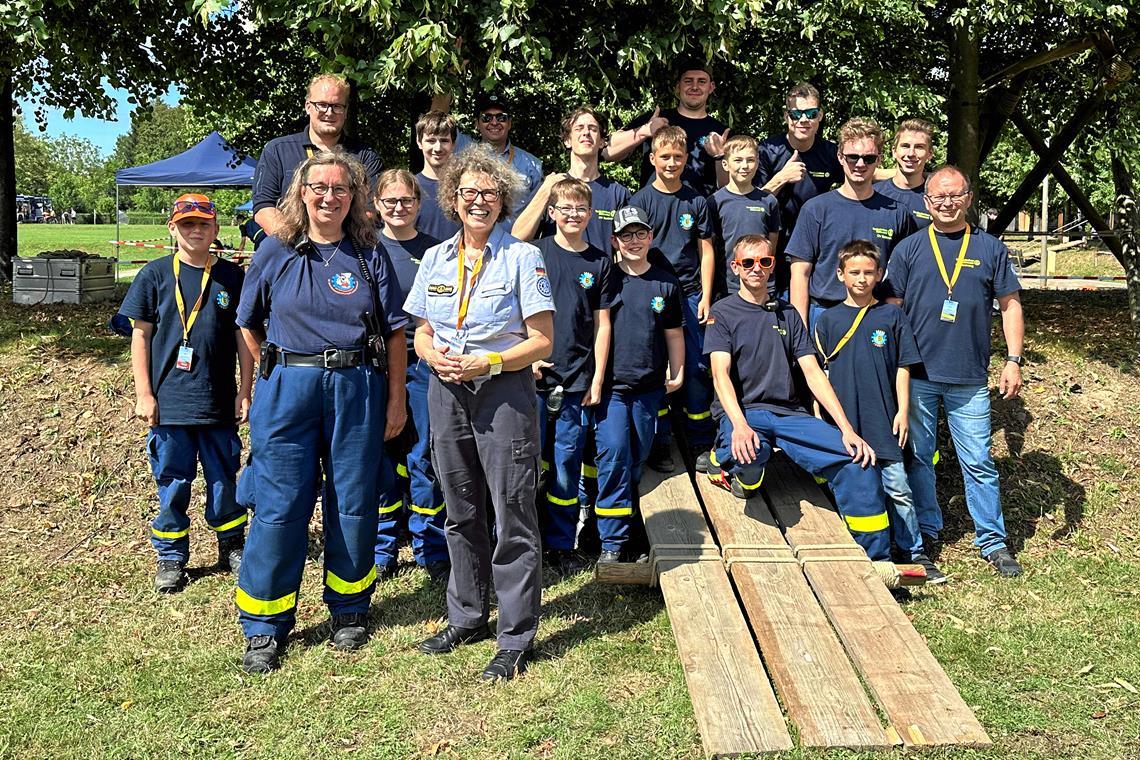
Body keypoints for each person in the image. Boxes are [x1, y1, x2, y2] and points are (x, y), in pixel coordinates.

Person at [234, 151, 409, 673]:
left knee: (353, 498)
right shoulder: (275, 251)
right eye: (319, 187)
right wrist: (277, 365)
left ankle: (350, 607)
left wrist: (396, 399)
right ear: (301, 192)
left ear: (353, 197)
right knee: (279, 503)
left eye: (340, 188)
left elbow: (396, 332)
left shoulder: (369, 254)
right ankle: (265, 625)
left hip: (357, 386)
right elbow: (247, 322)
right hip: (287, 389)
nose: (329, 196)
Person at [404, 145, 555, 682]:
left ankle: (514, 636)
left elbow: (541, 341)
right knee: (459, 506)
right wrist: (431, 353)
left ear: (503, 201)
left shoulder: (522, 257)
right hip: (445, 391)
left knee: (512, 510)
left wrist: (488, 359)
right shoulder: (437, 258)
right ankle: (466, 616)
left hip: (502, 391)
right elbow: (419, 329)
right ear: (453, 198)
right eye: (469, 192)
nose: (479, 201)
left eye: (490, 194)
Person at [704, 235, 891, 561]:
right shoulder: (723, 312)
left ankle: (878, 560)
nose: (756, 269)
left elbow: (813, 371)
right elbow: (720, 374)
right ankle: (736, 474)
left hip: (789, 414)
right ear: (735, 268)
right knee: (750, 454)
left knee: (857, 461)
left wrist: (846, 429)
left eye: (764, 261)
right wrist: (739, 425)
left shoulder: (788, 312)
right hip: (745, 412)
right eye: (748, 262)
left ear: (773, 265)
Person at [885, 165, 1025, 577]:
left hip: (969, 378)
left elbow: (1011, 306)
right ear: (927, 202)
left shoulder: (990, 249)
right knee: (920, 460)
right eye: (938, 197)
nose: (946, 203)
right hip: (919, 376)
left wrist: (1013, 360)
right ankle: (927, 532)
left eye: (955, 196)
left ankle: (992, 542)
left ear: (968, 198)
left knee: (979, 461)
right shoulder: (909, 249)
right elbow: (892, 311)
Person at [119, 193, 253, 594]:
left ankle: (231, 544)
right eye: (187, 223)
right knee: (173, 482)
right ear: (172, 228)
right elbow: (140, 338)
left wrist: (244, 391)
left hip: (216, 402)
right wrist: (144, 394)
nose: (196, 230)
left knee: (223, 479)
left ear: (216, 229)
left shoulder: (232, 276)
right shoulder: (155, 275)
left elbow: (244, 339)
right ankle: (171, 555)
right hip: (170, 404)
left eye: (204, 224)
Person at [813, 241, 944, 582]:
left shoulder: (892, 316)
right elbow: (819, 376)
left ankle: (915, 552)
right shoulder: (827, 320)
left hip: (883, 419)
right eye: (854, 272)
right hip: (844, 423)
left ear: (879, 275)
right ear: (840, 274)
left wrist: (902, 411)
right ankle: (850, 550)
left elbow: (904, 366)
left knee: (898, 488)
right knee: (850, 489)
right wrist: (819, 419)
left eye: (868, 272)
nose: (861, 278)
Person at [530, 178, 616, 573]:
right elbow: (516, 310)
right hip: (532, 376)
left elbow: (602, 326)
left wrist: (597, 377)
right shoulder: (536, 253)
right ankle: (524, 538)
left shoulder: (600, 262)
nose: (573, 215)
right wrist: (526, 359)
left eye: (580, 209)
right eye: (565, 209)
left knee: (566, 465)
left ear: (589, 213)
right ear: (552, 213)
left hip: (577, 380)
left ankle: (560, 544)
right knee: (528, 462)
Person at [593, 206, 685, 563]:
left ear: (651, 237)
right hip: (612, 388)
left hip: (649, 388)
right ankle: (611, 545)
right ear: (615, 240)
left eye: (640, 234)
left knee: (637, 458)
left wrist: (676, 371)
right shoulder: (606, 278)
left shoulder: (665, 282)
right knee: (614, 454)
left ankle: (630, 528)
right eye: (626, 235)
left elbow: (674, 333)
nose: (634, 241)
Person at [372, 169, 450, 583]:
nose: (398, 208)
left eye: (406, 201)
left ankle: (430, 547)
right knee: (380, 459)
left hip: (422, 365)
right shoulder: (363, 248)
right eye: (390, 202)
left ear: (419, 205)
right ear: (376, 205)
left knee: (424, 457)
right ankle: (383, 547)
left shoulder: (437, 252)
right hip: (376, 365)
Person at [630, 126, 716, 469]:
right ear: (652, 159)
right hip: (653, 295)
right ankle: (660, 442)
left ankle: (698, 443)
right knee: (655, 367)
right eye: (664, 156)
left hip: (691, 294)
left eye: (677, 157)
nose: (671, 162)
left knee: (695, 368)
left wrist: (707, 295)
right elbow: (630, 252)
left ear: (685, 160)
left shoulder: (696, 200)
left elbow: (706, 251)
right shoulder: (640, 201)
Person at [786, 117, 916, 331]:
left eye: (869, 158)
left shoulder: (896, 212)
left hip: (876, 315)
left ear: (879, 159)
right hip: (824, 314)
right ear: (840, 157)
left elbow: (903, 273)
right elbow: (800, 273)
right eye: (853, 157)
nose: (860, 164)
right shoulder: (815, 209)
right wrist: (799, 333)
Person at [252, 73, 383, 237]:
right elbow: (263, 208)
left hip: (346, 252)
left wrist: (332, 242)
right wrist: (297, 241)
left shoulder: (365, 156)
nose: (329, 112)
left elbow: (372, 210)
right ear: (308, 106)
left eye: (337, 106)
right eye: (321, 105)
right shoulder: (277, 150)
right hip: (291, 249)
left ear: (346, 110)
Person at [755, 82, 844, 294]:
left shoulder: (831, 152)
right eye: (796, 114)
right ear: (787, 116)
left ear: (820, 115)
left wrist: (918, 175)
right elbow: (751, 203)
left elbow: (864, 172)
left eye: (811, 113)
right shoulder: (767, 150)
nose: (804, 120)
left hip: (816, 246)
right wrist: (781, 178)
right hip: (772, 243)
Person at [512, 105, 633, 256]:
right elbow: (517, 238)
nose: (586, 133)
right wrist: (544, 192)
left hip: (602, 277)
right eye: (579, 128)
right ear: (567, 141)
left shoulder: (617, 194)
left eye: (593, 129)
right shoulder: (551, 186)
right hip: (556, 277)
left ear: (602, 142)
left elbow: (627, 251)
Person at [607, 60, 730, 196]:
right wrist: (644, 131)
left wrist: (720, 156)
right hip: (652, 208)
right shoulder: (656, 119)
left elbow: (730, 188)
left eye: (701, 81)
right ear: (678, 86)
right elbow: (608, 151)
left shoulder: (720, 132)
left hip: (699, 211)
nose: (695, 87)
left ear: (711, 87)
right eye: (688, 81)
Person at [707, 134, 781, 296]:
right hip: (727, 287)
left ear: (757, 163)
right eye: (738, 160)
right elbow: (708, 248)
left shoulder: (769, 201)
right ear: (725, 164)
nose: (745, 166)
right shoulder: (714, 202)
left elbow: (771, 245)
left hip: (762, 285)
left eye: (750, 160)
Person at [452, 93, 543, 224]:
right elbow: (437, 124)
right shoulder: (463, 151)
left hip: (517, 242)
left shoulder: (533, 165)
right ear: (476, 124)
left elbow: (537, 211)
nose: (494, 122)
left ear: (509, 123)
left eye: (501, 117)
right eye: (486, 118)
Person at [874, 119, 937, 228]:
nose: (911, 153)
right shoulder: (874, 193)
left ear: (930, 154)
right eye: (905, 146)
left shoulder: (937, 199)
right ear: (894, 151)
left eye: (919, 147)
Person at [414, 110, 463, 241]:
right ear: (419, 142)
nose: (438, 148)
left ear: (453, 144)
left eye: (444, 140)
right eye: (431, 141)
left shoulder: (464, 187)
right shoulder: (410, 187)